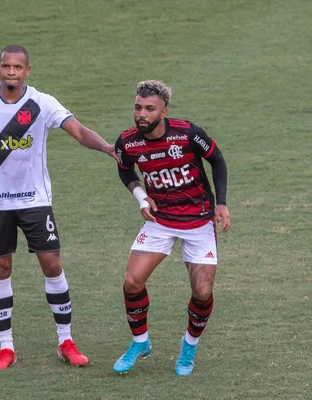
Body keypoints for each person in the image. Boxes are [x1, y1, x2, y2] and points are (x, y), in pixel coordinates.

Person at [0, 44, 116, 371]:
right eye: (5, 66)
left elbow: (79, 130)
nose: (11, 72)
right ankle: (6, 348)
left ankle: (65, 341)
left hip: (35, 201)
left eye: (17, 67)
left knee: (52, 264)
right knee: (0, 270)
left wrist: (107, 147)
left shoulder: (41, 103)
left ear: (28, 71)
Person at [112, 80, 231, 376]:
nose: (142, 114)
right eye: (138, 107)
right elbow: (124, 168)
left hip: (199, 219)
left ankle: (189, 345)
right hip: (160, 221)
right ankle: (140, 342)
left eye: (150, 109)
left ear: (164, 110)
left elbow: (217, 160)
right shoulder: (127, 142)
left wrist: (221, 203)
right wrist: (141, 197)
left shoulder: (189, 133)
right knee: (131, 281)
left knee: (202, 291)